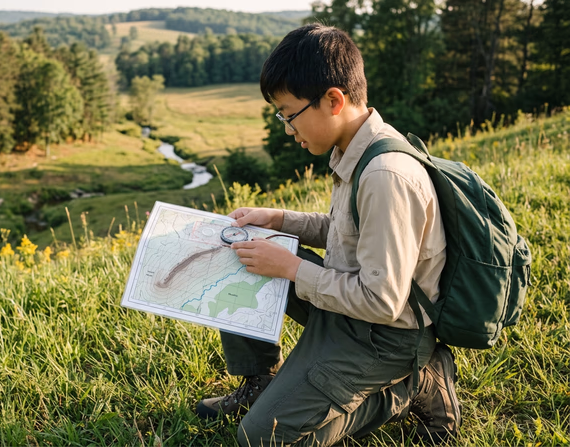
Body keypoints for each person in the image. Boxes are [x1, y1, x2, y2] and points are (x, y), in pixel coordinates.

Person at [194, 24, 461, 446]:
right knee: (243, 251)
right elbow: (345, 233)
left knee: (263, 439)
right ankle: (260, 381)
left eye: (289, 113)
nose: (287, 128)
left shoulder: (385, 175)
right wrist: (278, 220)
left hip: (387, 336)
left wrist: (293, 268)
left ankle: (410, 387)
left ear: (333, 100)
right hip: (349, 309)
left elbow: (383, 300)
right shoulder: (352, 148)